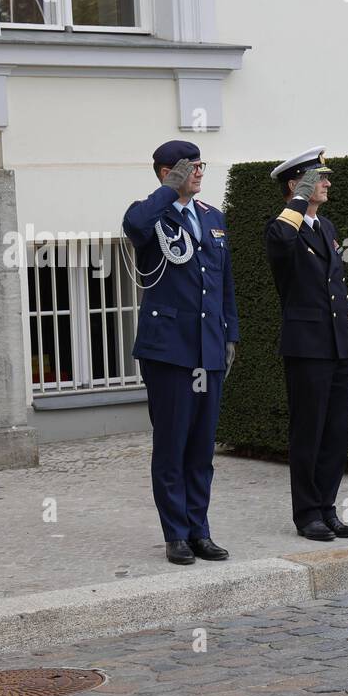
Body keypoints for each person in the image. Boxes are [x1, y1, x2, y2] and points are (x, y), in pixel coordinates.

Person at [122, 140, 238, 565]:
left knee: (201, 448)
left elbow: (223, 284)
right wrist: (170, 189)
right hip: (169, 350)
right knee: (171, 445)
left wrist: (231, 335)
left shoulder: (213, 218)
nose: (198, 172)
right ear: (166, 172)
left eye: (200, 164)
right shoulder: (152, 212)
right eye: (189, 166)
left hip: (208, 347)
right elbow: (135, 227)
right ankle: (175, 534)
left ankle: (200, 530)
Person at [265, 147, 348, 541]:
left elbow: (336, 287)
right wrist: (299, 202)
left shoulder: (327, 227)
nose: (327, 182)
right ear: (296, 184)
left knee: (336, 432)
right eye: (319, 177)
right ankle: (306, 514)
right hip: (306, 346)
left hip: (337, 343)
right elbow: (284, 237)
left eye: (323, 177)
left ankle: (327, 506)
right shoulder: (282, 228)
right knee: (309, 432)